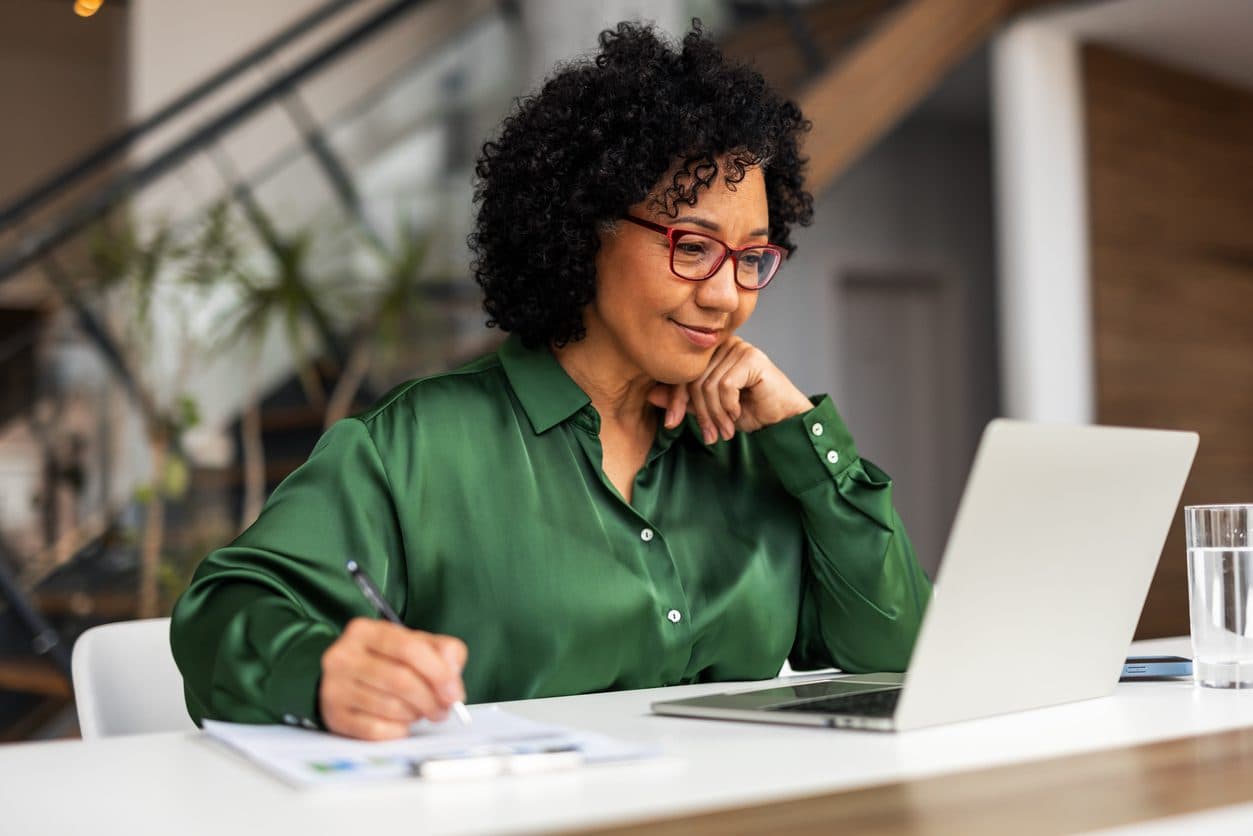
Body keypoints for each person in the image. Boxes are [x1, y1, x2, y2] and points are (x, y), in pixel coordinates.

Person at [171, 21, 932, 740]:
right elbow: (223, 618)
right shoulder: (417, 446)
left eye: (752, 257)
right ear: (582, 229)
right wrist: (322, 672)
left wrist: (805, 439)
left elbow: (899, 653)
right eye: (692, 247)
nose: (727, 295)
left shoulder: (754, 450)